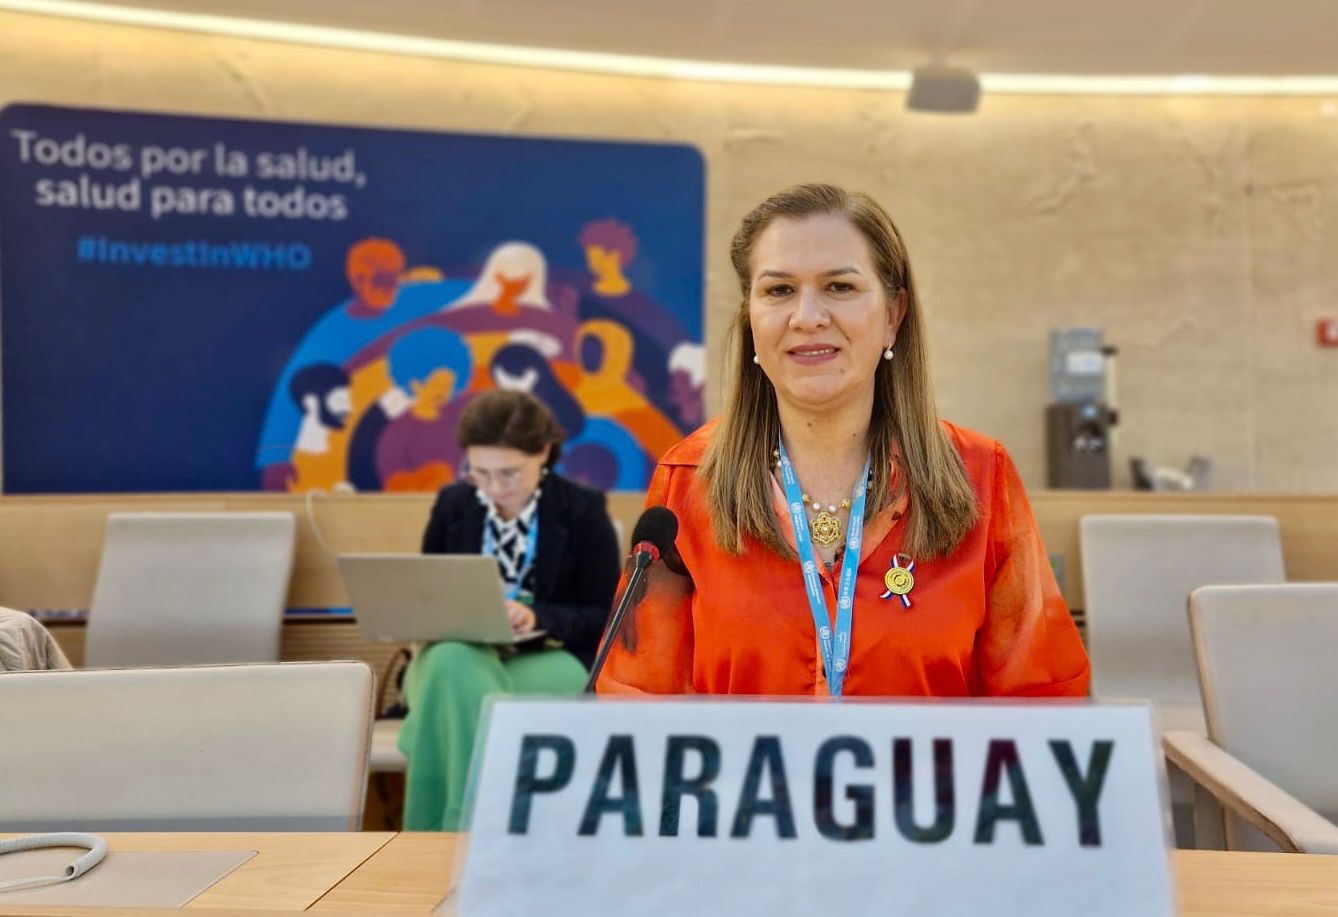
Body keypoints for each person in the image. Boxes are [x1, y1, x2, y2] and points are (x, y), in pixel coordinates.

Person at [596, 183, 1090, 698]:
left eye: (839, 287)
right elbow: (636, 705)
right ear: (751, 319)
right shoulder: (687, 481)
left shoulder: (982, 475)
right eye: (779, 290)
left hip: (930, 781)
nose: (807, 317)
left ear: (893, 316)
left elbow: (1043, 699)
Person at [397, 390, 621, 830]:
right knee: (453, 659)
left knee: (453, 674)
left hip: (547, 656)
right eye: (480, 473)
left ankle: (441, 832)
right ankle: (481, 827)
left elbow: (603, 616)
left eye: (509, 473)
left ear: (543, 452)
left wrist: (537, 617)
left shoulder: (582, 511)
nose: (495, 489)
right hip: (456, 649)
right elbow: (429, 594)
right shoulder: (453, 506)